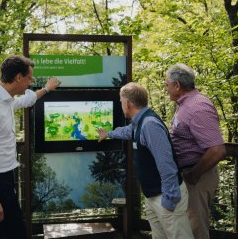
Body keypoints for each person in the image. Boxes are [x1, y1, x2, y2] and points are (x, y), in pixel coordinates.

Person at [0, 56, 61, 239]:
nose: (31, 82)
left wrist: (47, 89)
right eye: (29, 78)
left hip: (5, 180)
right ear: (19, 77)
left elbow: (27, 100)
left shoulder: (6, 100)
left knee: (16, 232)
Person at [97, 82, 193, 239]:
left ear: (128, 104)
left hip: (165, 196)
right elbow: (128, 132)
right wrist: (108, 134)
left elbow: (166, 165)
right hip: (153, 195)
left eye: (121, 101)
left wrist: (169, 201)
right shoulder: (139, 122)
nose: (121, 104)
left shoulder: (149, 125)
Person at [165, 63, 226, 239]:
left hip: (197, 178)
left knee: (196, 230)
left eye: (167, 84)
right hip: (190, 176)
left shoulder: (197, 106)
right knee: (187, 230)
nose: (166, 88)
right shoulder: (185, 104)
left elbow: (217, 150)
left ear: (177, 85)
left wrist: (193, 175)